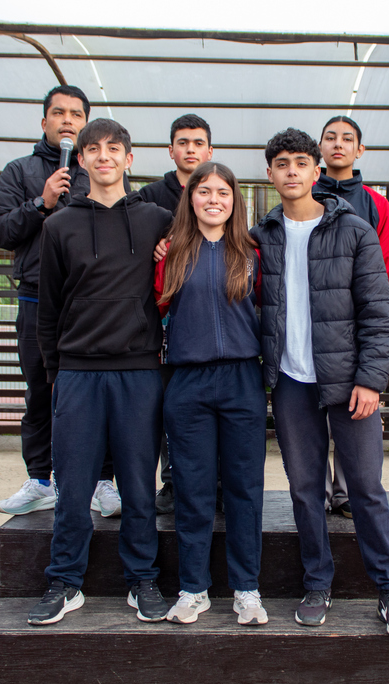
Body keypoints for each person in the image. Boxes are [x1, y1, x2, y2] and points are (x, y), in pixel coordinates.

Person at [252, 128, 389, 636]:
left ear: (316, 170)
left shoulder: (353, 231)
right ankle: (317, 583)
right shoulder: (261, 236)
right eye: (282, 163)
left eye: (301, 162)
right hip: (290, 382)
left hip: (349, 384)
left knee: (365, 487)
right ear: (270, 174)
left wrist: (371, 380)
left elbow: (380, 316)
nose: (292, 171)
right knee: (305, 490)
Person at [26, 119, 173, 626]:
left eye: (114, 149)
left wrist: (170, 249)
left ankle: (142, 579)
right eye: (94, 149)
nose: (104, 156)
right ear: (82, 159)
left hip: (139, 372)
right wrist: (56, 373)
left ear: (129, 159)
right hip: (78, 374)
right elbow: (48, 308)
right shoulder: (58, 225)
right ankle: (65, 581)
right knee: (73, 487)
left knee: (138, 486)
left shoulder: (158, 220)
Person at [0, 85, 120, 518]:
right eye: (59, 113)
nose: (67, 121)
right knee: (41, 391)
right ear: (44, 121)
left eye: (76, 114)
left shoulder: (100, 170)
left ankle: (102, 480)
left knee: (100, 392)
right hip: (36, 298)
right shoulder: (19, 171)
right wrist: (39, 204)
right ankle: (40, 479)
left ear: (86, 123)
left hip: (91, 304)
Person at [154, 161, 268, 626]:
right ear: (191, 198)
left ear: (234, 200)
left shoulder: (252, 253)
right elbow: (155, 307)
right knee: (193, 489)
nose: (214, 199)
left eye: (223, 192)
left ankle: (247, 589)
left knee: (244, 488)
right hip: (188, 383)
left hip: (242, 380)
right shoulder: (171, 252)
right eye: (204, 191)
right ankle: (193, 589)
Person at [316, 115, 389, 519]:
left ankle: (347, 494)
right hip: (312, 327)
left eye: (347, 139)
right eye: (330, 137)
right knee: (312, 417)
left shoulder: (376, 204)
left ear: (359, 149)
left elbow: (387, 270)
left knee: (356, 411)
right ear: (320, 147)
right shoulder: (304, 196)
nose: (338, 144)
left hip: (354, 330)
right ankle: (316, 494)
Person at [139, 114, 214, 516]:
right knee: (170, 407)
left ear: (210, 151)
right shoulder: (149, 197)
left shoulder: (221, 189)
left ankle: (215, 482)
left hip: (211, 322)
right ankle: (171, 483)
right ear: (170, 150)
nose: (190, 149)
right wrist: (155, 251)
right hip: (165, 324)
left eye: (198, 142)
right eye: (182, 142)